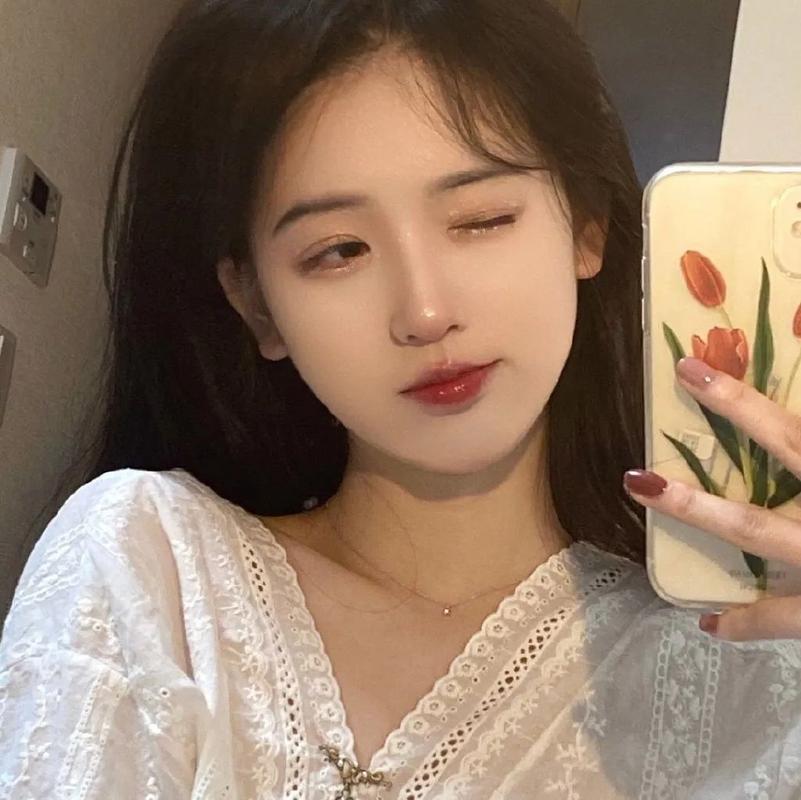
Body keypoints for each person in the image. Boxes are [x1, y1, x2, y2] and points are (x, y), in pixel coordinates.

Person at [2, 0, 800, 797]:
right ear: (257, 306)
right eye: (338, 250)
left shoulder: (744, 666)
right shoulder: (152, 570)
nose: (424, 311)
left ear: (585, 227)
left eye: (481, 219)